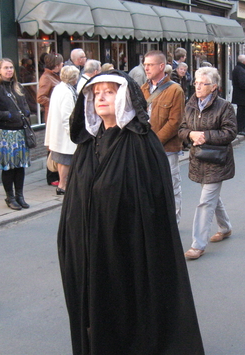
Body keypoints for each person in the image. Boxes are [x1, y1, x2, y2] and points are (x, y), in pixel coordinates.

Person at [58, 70, 205, 355]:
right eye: (95, 92)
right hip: (90, 249)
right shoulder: (88, 145)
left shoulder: (142, 144)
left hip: (128, 251)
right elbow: (75, 200)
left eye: (109, 91)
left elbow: (153, 207)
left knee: (126, 306)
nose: (100, 97)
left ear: (124, 97)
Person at [179, 66, 237, 260]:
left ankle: (198, 245)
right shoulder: (190, 105)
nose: (197, 86)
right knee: (211, 196)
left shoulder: (224, 106)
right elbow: (181, 129)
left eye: (203, 83)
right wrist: (190, 134)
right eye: (196, 82)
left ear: (213, 87)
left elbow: (230, 132)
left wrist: (204, 135)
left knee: (205, 201)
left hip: (217, 160)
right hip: (198, 159)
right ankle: (226, 227)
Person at [141, 51, 185, 224]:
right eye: (145, 64)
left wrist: (155, 142)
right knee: (149, 186)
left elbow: (175, 122)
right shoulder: (143, 88)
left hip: (167, 149)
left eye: (150, 65)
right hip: (145, 146)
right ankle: (155, 221)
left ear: (161, 66)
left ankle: (173, 221)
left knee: (171, 186)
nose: (146, 68)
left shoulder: (175, 90)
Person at [0, 58, 32, 211]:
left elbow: (25, 104)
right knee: (8, 168)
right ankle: (9, 197)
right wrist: (8, 115)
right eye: (6, 68)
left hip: (19, 132)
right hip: (4, 133)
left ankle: (20, 195)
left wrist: (26, 112)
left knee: (20, 167)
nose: (9, 70)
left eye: (11, 67)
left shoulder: (17, 87)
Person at [44, 65, 80, 195]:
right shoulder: (66, 92)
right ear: (73, 78)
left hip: (58, 131)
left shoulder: (59, 88)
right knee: (65, 160)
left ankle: (63, 184)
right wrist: (72, 133)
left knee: (62, 159)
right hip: (64, 134)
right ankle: (63, 185)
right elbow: (67, 116)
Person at [36, 52, 63, 122]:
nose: (63, 64)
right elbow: (40, 98)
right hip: (53, 114)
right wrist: (55, 103)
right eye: (61, 62)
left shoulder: (56, 75)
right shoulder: (46, 77)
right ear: (56, 65)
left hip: (59, 113)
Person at [231, 54, 245, 135]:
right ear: (244, 61)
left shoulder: (239, 69)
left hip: (241, 95)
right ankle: (240, 129)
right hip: (242, 95)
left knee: (243, 112)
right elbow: (243, 83)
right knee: (241, 113)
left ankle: (242, 128)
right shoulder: (240, 70)